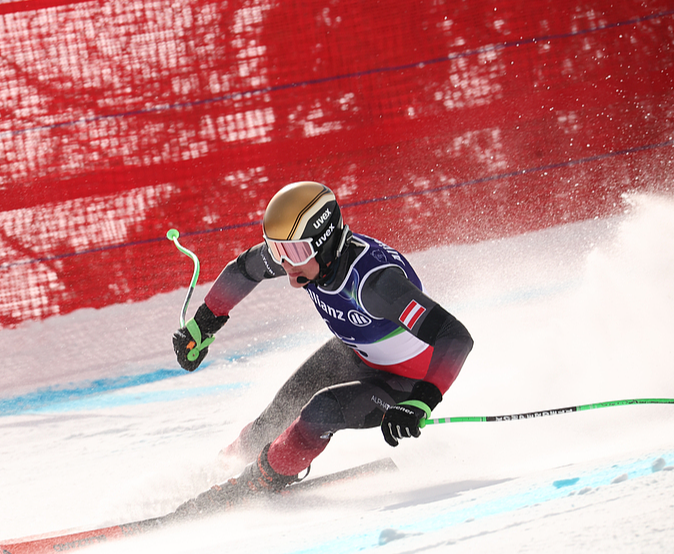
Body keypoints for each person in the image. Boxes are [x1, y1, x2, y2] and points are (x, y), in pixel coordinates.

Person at [171, 181, 474, 514]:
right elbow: (245, 269)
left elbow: (454, 336)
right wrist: (203, 324)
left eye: (295, 252)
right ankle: (223, 468)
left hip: (404, 384)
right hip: (357, 353)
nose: (286, 265)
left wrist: (422, 400)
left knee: (321, 411)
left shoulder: (373, 284)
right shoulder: (304, 258)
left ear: (325, 244)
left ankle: (259, 480)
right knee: (274, 417)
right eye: (277, 252)